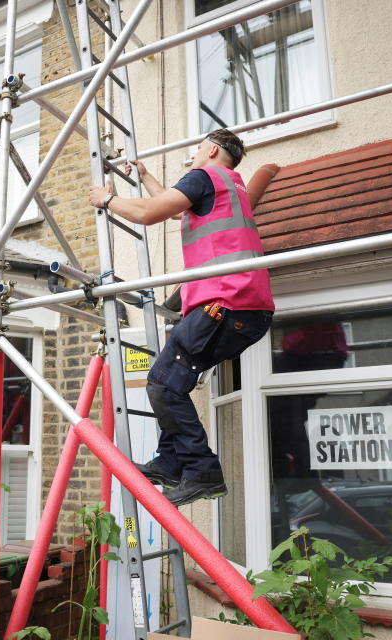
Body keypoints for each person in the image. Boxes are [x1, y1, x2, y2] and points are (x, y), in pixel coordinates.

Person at [87, 128, 274, 507]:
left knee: (161, 382)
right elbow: (175, 208)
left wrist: (107, 199)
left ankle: (201, 470)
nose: (193, 153)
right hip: (244, 308)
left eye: (198, 147)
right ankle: (172, 461)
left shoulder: (204, 176)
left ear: (212, 149)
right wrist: (146, 178)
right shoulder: (230, 186)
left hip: (224, 301)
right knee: (172, 379)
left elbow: (148, 214)